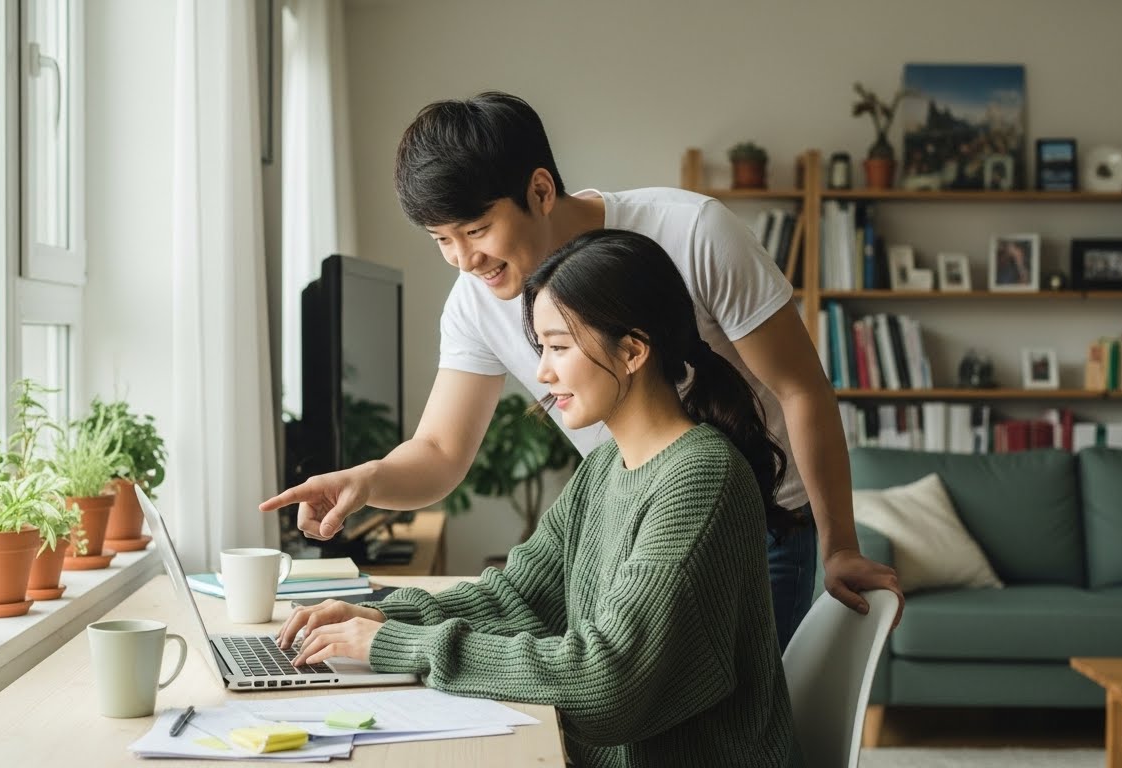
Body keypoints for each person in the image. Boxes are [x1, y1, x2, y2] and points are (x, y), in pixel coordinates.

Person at [260, 91, 902, 646]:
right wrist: (367, 479)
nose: (463, 260)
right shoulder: (476, 303)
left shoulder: (693, 232)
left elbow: (799, 388)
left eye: (476, 230)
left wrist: (839, 543)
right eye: (441, 241)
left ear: (540, 190)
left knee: (732, 715)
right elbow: (440, 450)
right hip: (635, 525)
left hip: (761, 523)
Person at [276, 230, 802, 768]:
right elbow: (519, 598)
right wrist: (382, 616)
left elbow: (609, 682)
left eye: (559, 347)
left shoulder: (700, 478)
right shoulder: (606, 465)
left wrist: (399, 645)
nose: (543, 373)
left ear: (632, 350)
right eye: (541, 348)